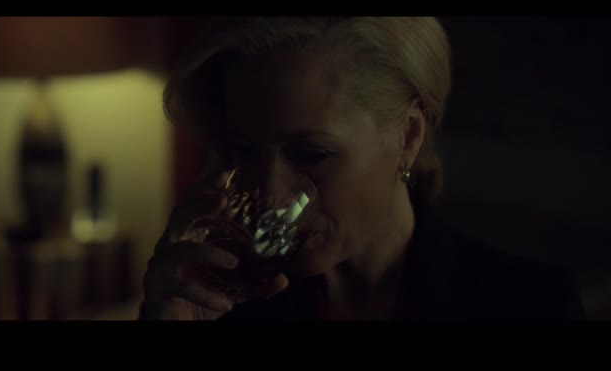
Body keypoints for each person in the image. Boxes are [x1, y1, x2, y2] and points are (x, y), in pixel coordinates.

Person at [139, 17, 585, 320]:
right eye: (244, 150)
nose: (269, 196)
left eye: (311, 154)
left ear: (408, 136)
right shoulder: (226, 301)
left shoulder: (533, 306)